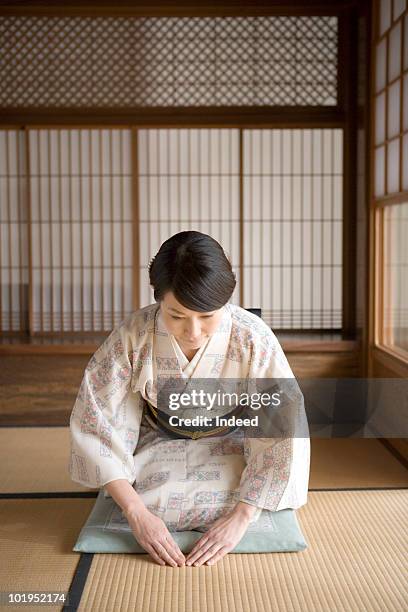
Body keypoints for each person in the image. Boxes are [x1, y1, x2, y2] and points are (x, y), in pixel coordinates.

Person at [68, 230, 310, 568]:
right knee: (148, 505)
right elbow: (98, 416)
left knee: (243, 503)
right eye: (177, 315)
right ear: (158, 301)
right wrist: (136, 512)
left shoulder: (252, 336)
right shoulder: (134, 335)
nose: (193, 331)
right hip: (159, 438)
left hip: (231, 439)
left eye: (207, 316)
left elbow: (282, 421)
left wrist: (242, 515)